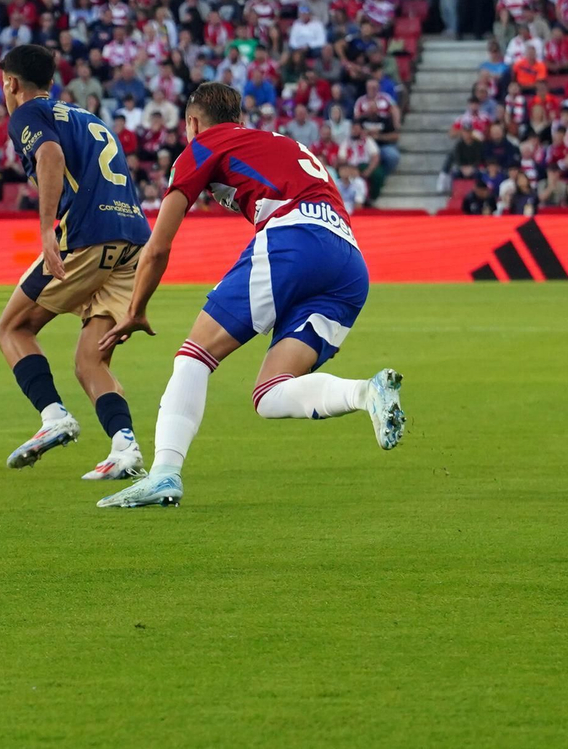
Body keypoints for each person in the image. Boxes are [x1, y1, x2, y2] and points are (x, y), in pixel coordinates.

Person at [94, 81, 405, 509]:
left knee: (194, 356)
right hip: (349, 262)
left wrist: (135, 309)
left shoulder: (201, 145)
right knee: (270, 394)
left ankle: (164, 473)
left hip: (294, 239)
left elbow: (159, 245)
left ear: (192, 122)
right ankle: (366, 393)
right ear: (238, 118)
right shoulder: (278, 142)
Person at [0, 44, 153, 482]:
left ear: (11, 83)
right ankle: (125, 447)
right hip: (132, 241)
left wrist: (47, 229)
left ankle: (53, 416)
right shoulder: (87, 117)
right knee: (90, 361)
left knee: (12, 328)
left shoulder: (27, 113)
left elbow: (49, 156)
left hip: (86, 237)